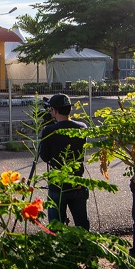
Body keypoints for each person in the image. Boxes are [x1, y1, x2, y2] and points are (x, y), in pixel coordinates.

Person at [38, 93, 89, 229]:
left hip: (58, 185)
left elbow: (44, 157)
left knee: (56, 227)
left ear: (54, 111)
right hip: (77, 181)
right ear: (69, 109)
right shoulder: (82, 127)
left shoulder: (49, 130)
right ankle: (84, 248)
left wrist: (47, 129)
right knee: (82, 226)